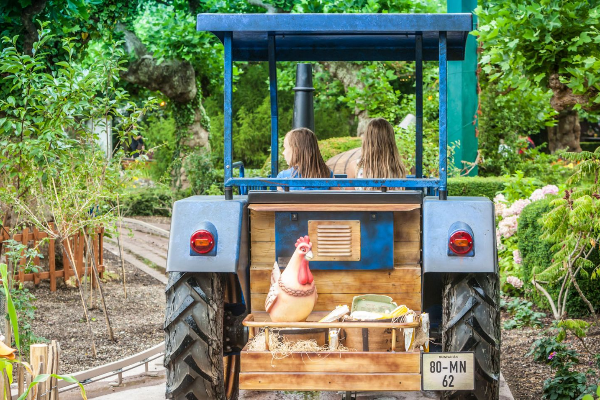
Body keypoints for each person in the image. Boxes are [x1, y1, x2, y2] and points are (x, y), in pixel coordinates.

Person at [354, 118, 407, 190]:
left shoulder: (356, 166)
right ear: (391, 142)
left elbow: (348, 198)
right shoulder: (399, 168)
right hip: (393, 201)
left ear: (367, 141)